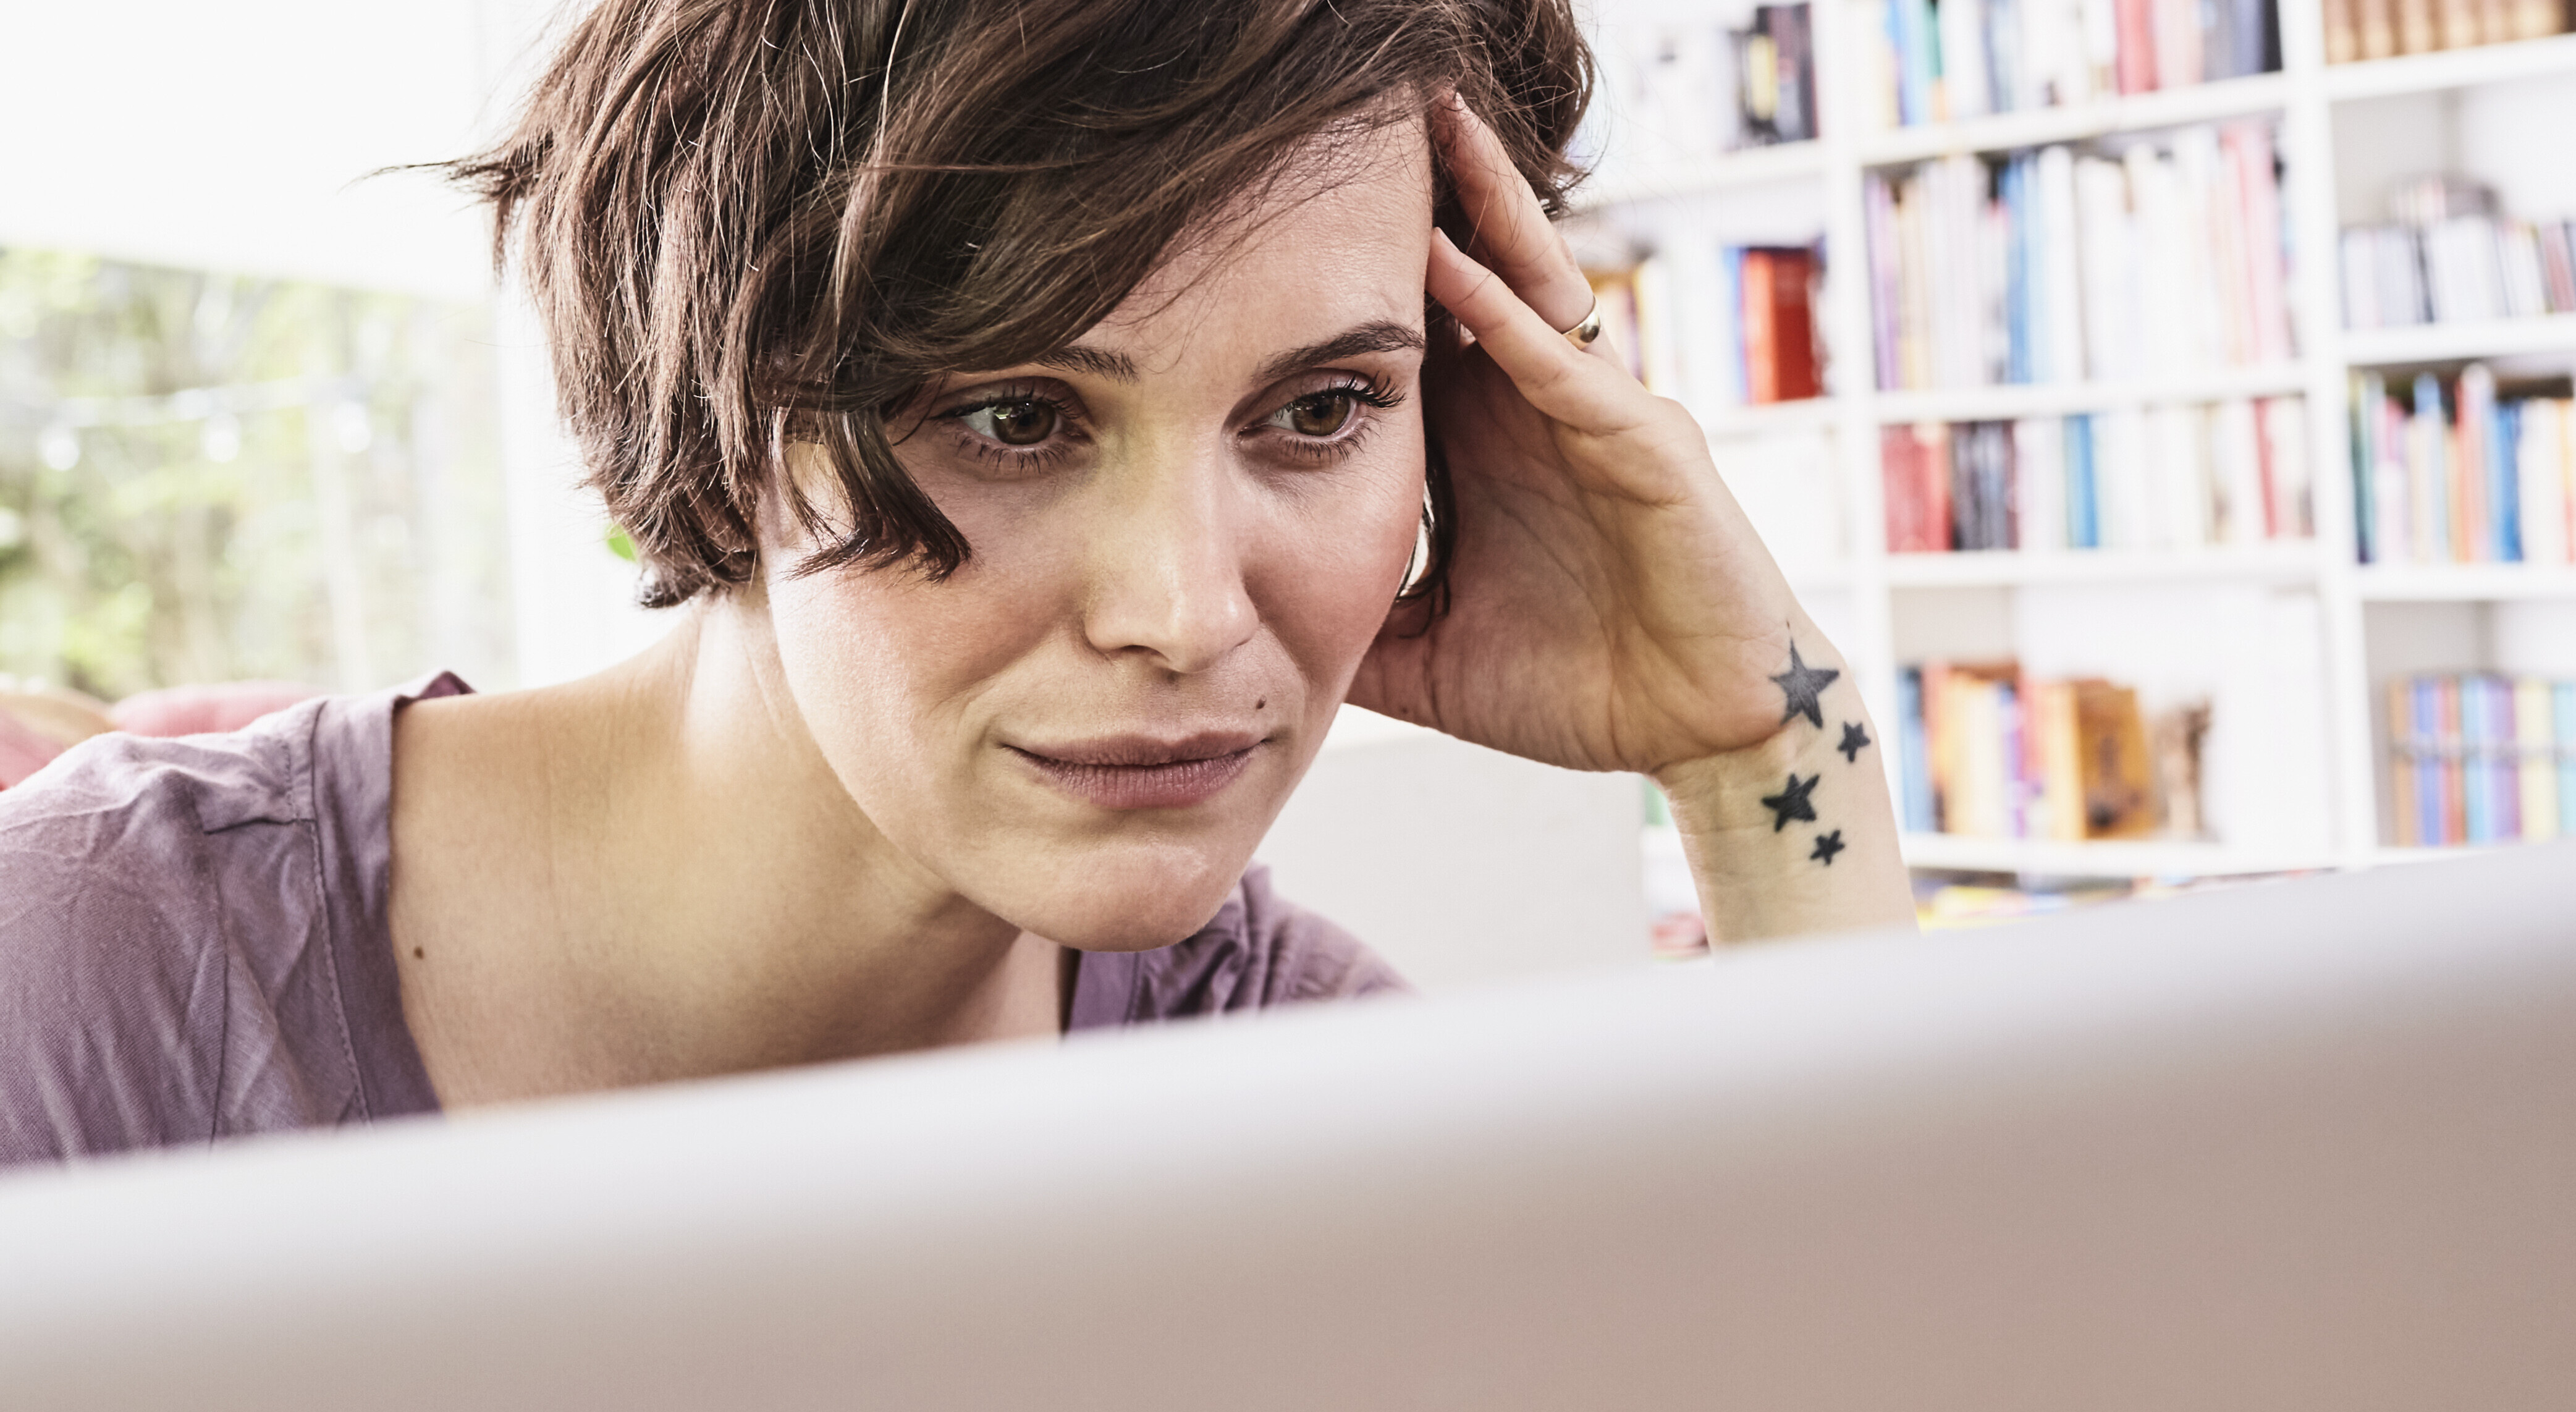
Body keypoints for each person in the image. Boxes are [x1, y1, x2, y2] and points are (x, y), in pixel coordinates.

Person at [0, 0, 1914, 1164]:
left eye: (1322, 408)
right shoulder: (91, 972)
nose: (1181, 608)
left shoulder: (1277, 1087)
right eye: (1011, 417)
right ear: (713, 408)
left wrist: (1768, 761)